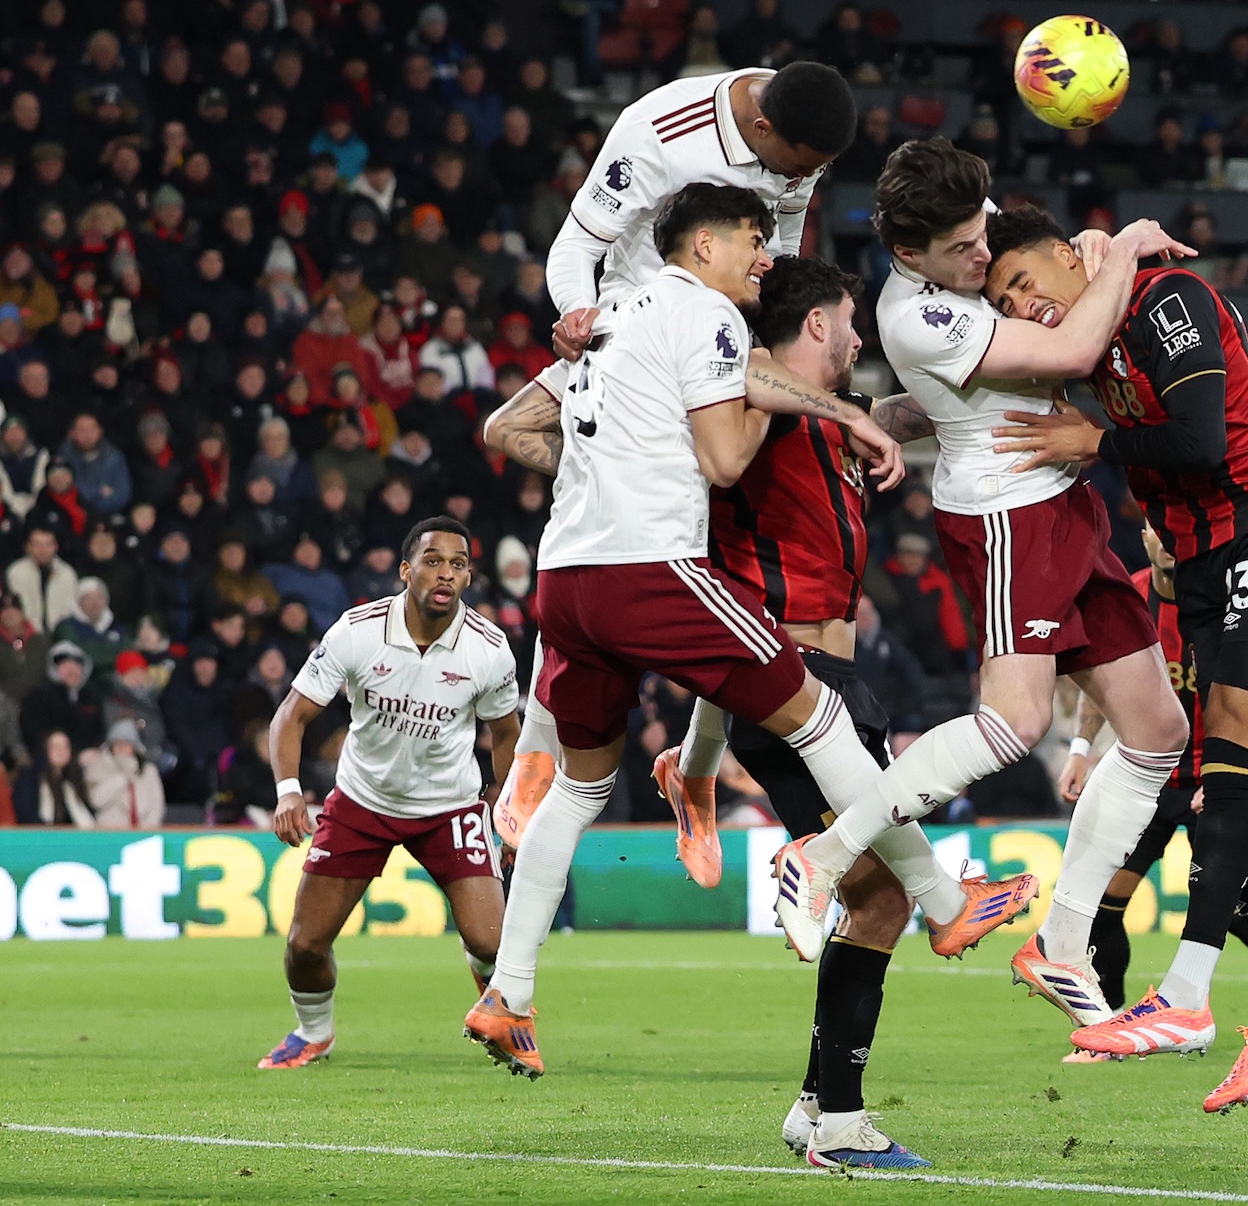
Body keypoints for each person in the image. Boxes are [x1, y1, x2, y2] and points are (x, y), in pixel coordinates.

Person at [462, 186, 921, 1089]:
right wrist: (645, 459)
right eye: (755, 237)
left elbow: (508, 427)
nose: (764, 253)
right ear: (706, 242)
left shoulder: (628, 322)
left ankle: (509, 990)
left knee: (580, 794)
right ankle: (919, 899)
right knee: (831, 756)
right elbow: (718, 455)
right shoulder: (704, 329)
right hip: (674, 585)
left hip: (577, 578)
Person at [766, 145, 1190, 1053]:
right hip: (1004, 514)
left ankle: (1063, 944)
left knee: (1158, 730)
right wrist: (1119, 252)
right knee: (1013, 723)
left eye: (982, 231)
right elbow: (1075, 347)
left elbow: (1006, 342)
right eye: (960, 248)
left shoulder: (969, 242)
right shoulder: (912, 313)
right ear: (910, 256)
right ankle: (826, 852)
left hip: (1066, 505)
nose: (980, 255)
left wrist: (902, 411)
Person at [663, 256, 1035, 1167]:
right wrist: (854, 415)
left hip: (832, 668)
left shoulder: (834, 420)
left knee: (876, 901)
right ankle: (837, 1116)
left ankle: (816, 1105)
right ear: (817, 325)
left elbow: (902, 412)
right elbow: (746, 370)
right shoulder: (750, 396)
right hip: (788, 673)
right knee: (874, 895)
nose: (862, 335)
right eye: (849, 319)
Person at [982, 201, 1248, 1112]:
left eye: (1027, 279)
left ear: (1074, 258)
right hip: (1209, 556)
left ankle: (1184, 996)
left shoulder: (1163, 299)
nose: (1023, 303)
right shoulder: (1091, 348)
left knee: (1221, 754)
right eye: (1004, 297)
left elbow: (1198, 439)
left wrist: (1091, 439)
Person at [480, 60, 891, 850]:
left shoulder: (799, 141)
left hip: (717, 344)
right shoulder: (657, 132)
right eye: (800, 166)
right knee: (515, 433)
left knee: (717, 549)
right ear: (764, 131)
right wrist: (579, 319)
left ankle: (690, 767)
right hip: (631, 334)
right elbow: (574, 250)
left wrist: (764, 363)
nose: (805, 180)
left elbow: (776, 265)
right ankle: (548, 750)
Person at [259, 518, 521, 1070]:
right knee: (305, 946)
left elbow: (505, 736)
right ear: (406, 571)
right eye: (432, 560)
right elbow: (291, 716)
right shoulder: (356, 631)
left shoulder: (489, 649)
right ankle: (314, 1033)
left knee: (495, 945)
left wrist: (511, 811)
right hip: (362, 803)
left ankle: (482, 969)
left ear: (469, 577)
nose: (445, 572)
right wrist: (288, 793)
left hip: (449, 805)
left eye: (457, 563)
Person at [1057, 523, 1203, 1055]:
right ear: (1143, 536)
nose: (1168, 542)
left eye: (1177, 533)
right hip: (1147, 774)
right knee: (1106, 904)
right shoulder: (1130, 598)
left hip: (1211, 776)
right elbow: (1103, 684)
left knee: (1232, 908)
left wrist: (1229, 773)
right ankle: (1110, 1023)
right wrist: (1080, 748)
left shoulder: (1218, 598)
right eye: (1157, 531)